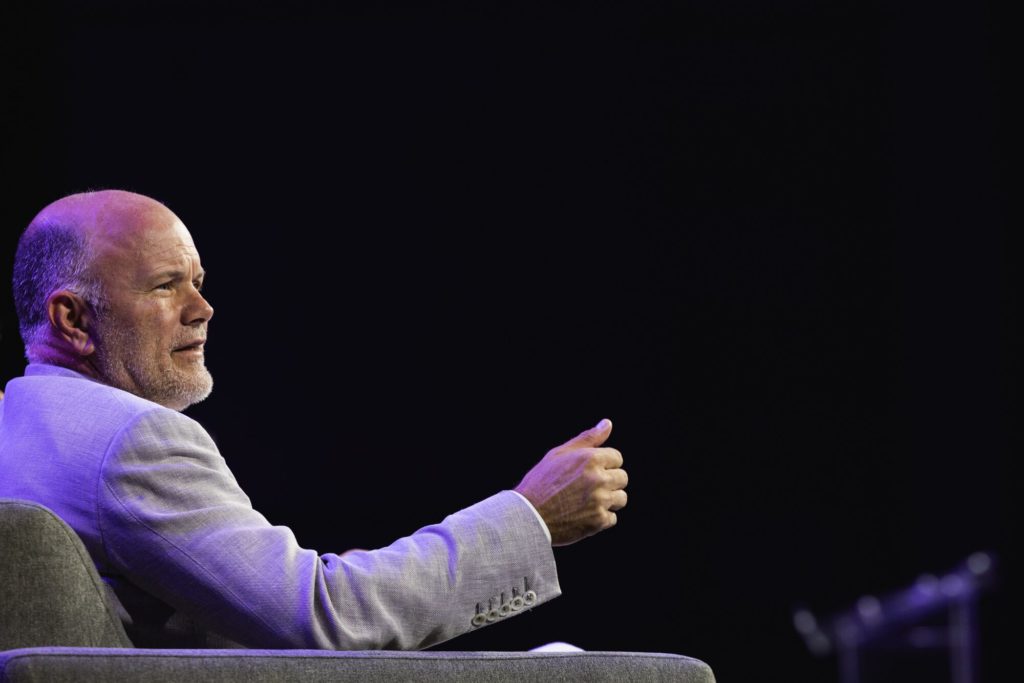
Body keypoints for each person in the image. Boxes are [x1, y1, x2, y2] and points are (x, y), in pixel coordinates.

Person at [0, 189, 628, 650]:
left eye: (198, 281)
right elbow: (324, 620)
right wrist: (531, 518)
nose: (203, 308)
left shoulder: (21, 424)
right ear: (72, 320)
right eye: (166, 286)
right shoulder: (133, 442)